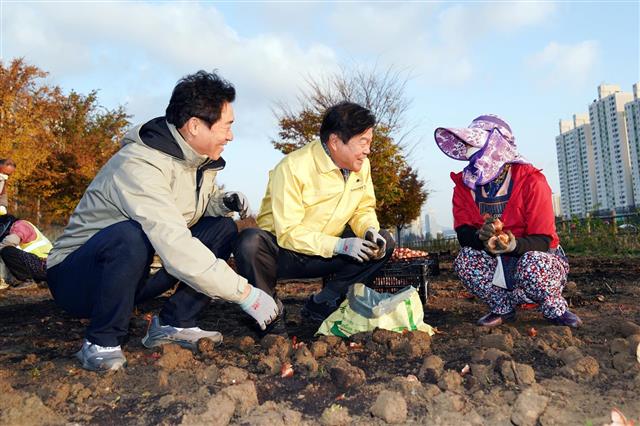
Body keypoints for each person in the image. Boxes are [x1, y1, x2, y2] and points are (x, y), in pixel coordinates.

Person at [47, 70, 280, 372]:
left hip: (136, 275)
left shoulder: (196, 162)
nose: (231, 136)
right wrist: (246, 294)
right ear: (194, 125)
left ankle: (174, 324)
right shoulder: (139, 164)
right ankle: (101, 341)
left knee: (222, 228)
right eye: (227, 126)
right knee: (130, 236)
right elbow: (173, 241)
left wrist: (220, 203)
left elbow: (185, 211)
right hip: (78, 280)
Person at [233, 102, 395, 331]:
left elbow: (363, 208)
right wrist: (340, 245)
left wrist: (368, 229)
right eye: (363, 142)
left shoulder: (362, 167)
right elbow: (289, 233)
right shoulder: (292, 167)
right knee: (249, 242)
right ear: (335, 142)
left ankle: (325, 301)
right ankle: (270, 313)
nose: (368, 150)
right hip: (285, 254)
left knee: (383, 241)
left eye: (369, 142)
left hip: (329, 251)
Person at [434, 114, 582, 328]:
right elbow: (463, 233)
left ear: (497, 146)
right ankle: (502, 307)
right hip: (496, 264)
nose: (471, 153)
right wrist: (480, 236)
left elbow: (543, 240)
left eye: (476, 145)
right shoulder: (465, 186)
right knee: (465, 261)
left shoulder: (532, 181)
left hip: (535, 259)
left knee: (533, 263)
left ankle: (554, 308)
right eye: (469, 146)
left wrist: (512, 245)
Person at [0, 215, 50, 285]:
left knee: (6, 250)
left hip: (44, 264)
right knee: (7, 252)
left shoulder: (20, 225)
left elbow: (8, 242)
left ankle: (27, 281)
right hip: (43, 266)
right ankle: (40, 282)